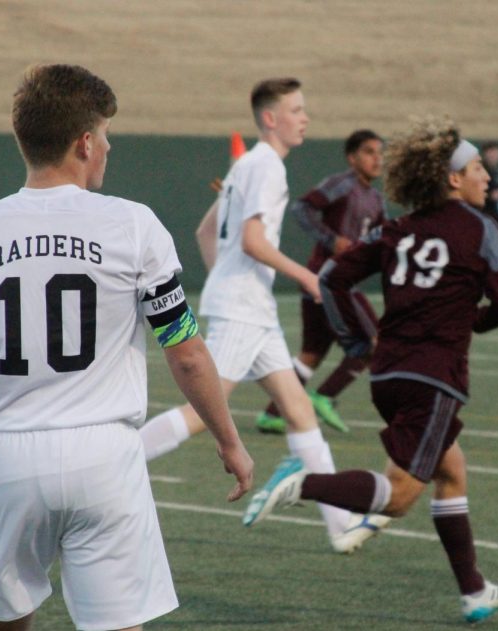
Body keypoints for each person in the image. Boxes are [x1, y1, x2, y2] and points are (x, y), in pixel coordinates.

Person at [0, 64, 253, 631]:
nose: (107, 146)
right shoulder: (134, 225)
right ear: (84, 143)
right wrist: (229, 440)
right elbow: (184, 349)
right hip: (105, 460)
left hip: (7, 461)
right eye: (104, 135)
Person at [242, 115, 498, 623]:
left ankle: (475, 591)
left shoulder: (399, 228)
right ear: (453, 178)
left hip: (388, 373)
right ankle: (305, 482)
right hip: (435, 377)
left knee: (451, 470)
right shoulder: (483, 229)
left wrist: (354, 340)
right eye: (478, 167)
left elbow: (331, 281)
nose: (487, 176)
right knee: (395, 499)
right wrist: (469, 321)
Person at [139, 77, 389, 554]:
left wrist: (227, 281)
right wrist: (311, 278)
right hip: (244, 311)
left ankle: (340, 526)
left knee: (298, 411)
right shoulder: (267, 166)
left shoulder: (247, 165)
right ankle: (111, 466)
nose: (305, 118)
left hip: (252, 307)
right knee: (202, 414)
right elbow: (252, 242)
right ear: (270, 118)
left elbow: (205, 232)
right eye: (296, 110)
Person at [254, 129, 387, 435]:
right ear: (352, 158)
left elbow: (382, 239)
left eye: (380, 153)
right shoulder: (341, 184)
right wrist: (331, 239)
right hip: (328, 280)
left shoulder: (377, 199)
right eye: (369, 152)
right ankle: (324, 396)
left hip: (334, 283)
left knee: (311, 354)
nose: (377, 158)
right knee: (374, 343)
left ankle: (272, 414)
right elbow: (302, 208)